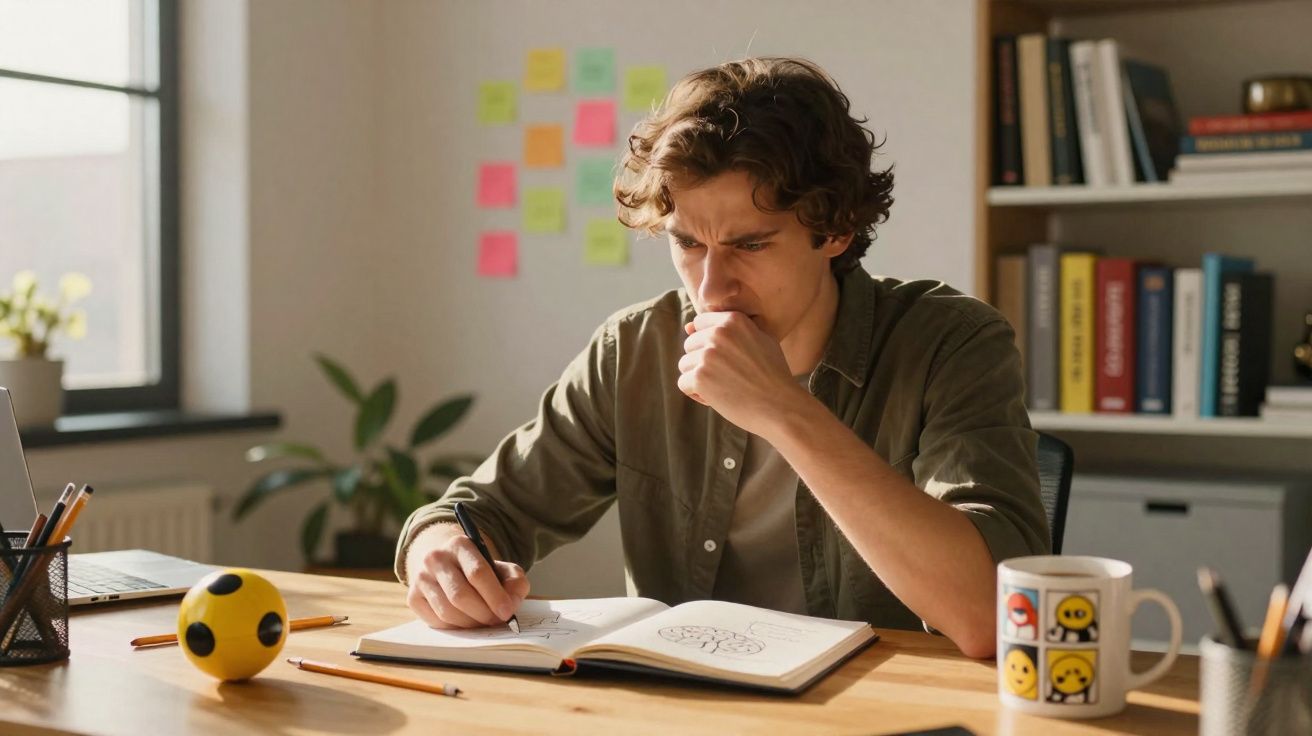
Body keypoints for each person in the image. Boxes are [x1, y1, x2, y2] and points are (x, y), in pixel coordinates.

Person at [395, 57, 1049, 658]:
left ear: (838, 229)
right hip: (685, 714)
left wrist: (786, 411)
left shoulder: (953, 343)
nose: (711, 289)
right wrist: (440, 550)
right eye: (688, 245)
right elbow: (478, 513)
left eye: (750, 245)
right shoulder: (634, 351)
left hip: (878, 715)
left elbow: (992, 615)